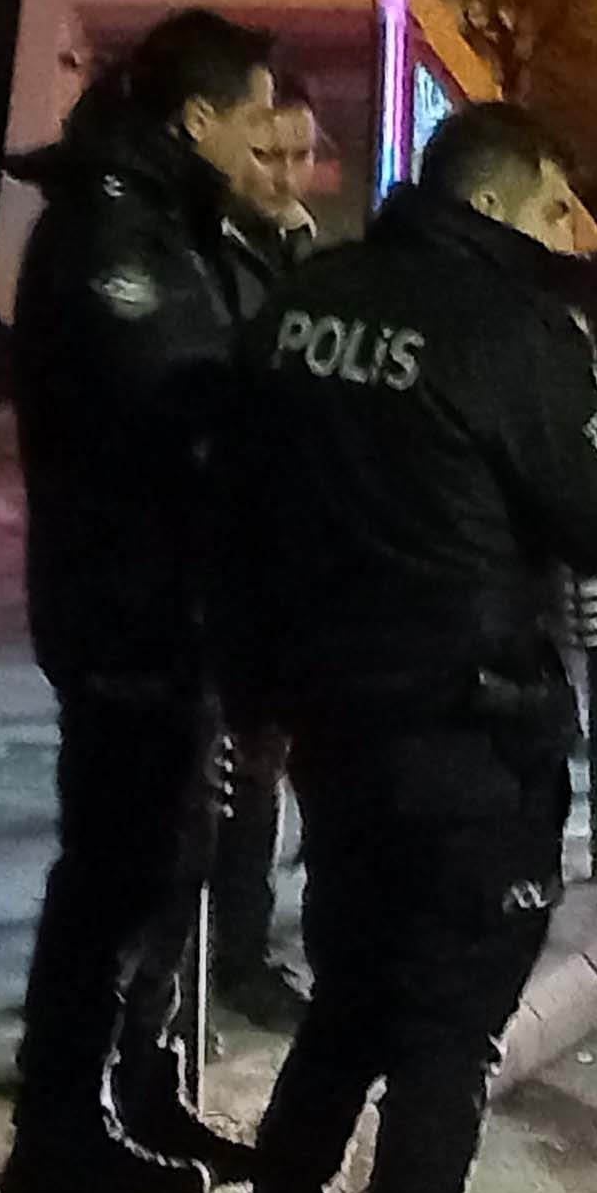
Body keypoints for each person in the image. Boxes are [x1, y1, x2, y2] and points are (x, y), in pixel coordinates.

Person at [194, 105, 597, 1193]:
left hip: (334, 723)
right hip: (469, 735)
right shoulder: (514, 330)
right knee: (446, 1039)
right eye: (556, 206)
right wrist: (593, 383)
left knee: (350, 1005)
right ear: (497, 204)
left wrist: (256, 696)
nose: (572, 232)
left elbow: (235, 511)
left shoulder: (306, 304)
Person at [0, 9, 287, 1193]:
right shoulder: (113, 236)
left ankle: (138, 1090)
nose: (271, 137)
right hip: (123, 599)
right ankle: (59, 1133)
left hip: (178, 597)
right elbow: (179, 408)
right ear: (197, 117)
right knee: (116, 865)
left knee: (173, 855)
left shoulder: (176, 220)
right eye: (255, 115)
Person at [207, 87, 326, 1034]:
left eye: (301, 156)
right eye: (269, 155)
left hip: (299, 554)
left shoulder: (304, 254)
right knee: (241, 770)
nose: (285, 176)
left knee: (293, 760)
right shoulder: (211, 256)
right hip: (231, 555)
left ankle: (277, 943)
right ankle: (227, 957)